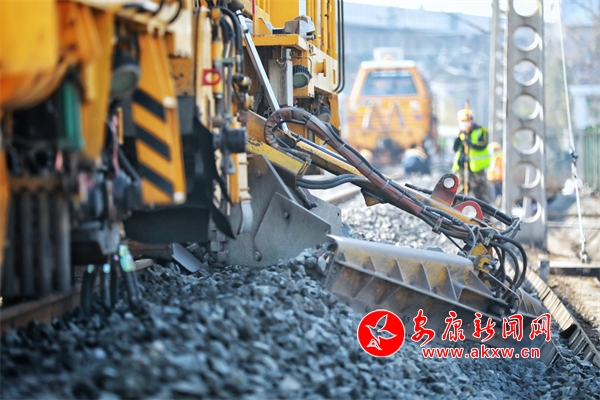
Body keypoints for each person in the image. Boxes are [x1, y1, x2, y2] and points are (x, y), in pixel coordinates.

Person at [451, 108, 491, 202]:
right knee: (460, 194)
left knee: (481, 195)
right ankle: (457, 210)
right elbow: (455, 148)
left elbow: (483, 144)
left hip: (477, 169)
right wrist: (458, 137)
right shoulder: (461, 133)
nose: (465, 123)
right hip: (462, 168)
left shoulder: (481, 130)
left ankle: (484, 211)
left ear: (472, 120)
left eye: (468, 120)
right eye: (463, 121)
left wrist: (471, 144)